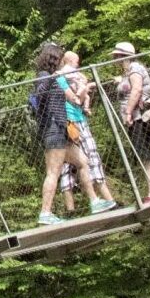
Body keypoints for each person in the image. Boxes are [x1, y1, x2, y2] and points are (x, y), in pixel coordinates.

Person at [29, 45, 113, 226]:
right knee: (53, 172)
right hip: (53, 130)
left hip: (62, 130)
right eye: (60, 58)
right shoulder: (45, 76)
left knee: (83, 162)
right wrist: (53, 79)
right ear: (54, 59)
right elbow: (41, 92)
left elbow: (69, 97)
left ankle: (94, 202)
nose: (62, 61)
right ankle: (45, 213)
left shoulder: (55, 77)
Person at [56, 51, 115, 212]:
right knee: (91, 156)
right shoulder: (63, 77)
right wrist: (85, 88)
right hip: (74, 121)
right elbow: (75, 99)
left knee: (69, 164)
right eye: (76, 61)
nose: (78, 64)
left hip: (71, 120)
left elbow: (79, 100)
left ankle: (71, 209)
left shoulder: (60, 77)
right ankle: (105, 198)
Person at [109, 41, 150, 205]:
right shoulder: (129, 72)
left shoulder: (135, 69)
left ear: (123, 56)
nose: (114, 59)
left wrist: (128, 112)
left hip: (138, 117)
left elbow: (137, 90)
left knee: (144, 157)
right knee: (144, 156)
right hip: (135, 118)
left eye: (116, 56)